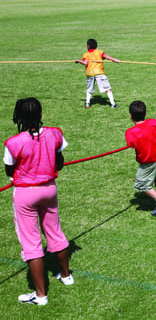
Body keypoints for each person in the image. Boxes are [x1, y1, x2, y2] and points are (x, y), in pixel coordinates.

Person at [4, 98, 73, 306]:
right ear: (41, 114)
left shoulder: (13, 142)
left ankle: (40, 295)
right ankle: (66, 275)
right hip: (49, 189)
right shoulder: (55, 134)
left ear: (19, 118)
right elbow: (59, 163)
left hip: (25, 194)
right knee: (55, 232)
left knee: (31, 242)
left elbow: (10, 171)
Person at [125, 100, 156, 216]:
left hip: (148, 162)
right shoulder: (152, 122)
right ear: (145, 114)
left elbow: (131, 145)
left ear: (130, 116)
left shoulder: (130, 132)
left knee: (141, 184)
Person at [74, 38, 120, 108]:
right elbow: (106, 56)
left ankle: (87, 103)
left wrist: (78, 61)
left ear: (88, 46)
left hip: (90, 73)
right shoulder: (99, 52)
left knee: (89, 89)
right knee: (108, 89)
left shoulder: (86, 54)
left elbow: (85, 63)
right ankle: (113, 104)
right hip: (99, 73)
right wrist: (114, 60)